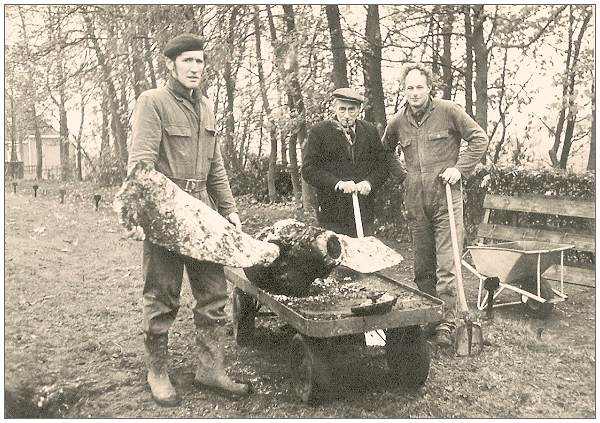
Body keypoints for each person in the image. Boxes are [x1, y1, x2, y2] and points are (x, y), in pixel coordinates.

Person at [125, 33, 251, 406]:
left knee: (213, 291)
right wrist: (138, 211)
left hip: (203, 212)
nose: (195, 68)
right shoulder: (153, 102)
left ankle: (210, 369)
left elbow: (216, 167)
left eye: (200, 61)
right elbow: (141, 163)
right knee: (162, 293)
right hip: (166, 210)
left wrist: (229, 210)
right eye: (188, 61)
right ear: (171, 64)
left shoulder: (207, 107)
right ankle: (158, 371)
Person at [382, 63, 489, 348]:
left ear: (429, 88)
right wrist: (402, 177)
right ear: (403, 90)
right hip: (416, 201)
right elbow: (385, 152)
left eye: (419, 87)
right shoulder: (397, 122)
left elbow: (479, 138)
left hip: (446, 199)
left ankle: (447, 322)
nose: (414, 93)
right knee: (423, 265)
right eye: (409, 88)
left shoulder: (448, 111)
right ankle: (429, 317)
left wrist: (460, 168)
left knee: (447, 262)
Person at [301, 88, 389, 237]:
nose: (346, 115)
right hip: (332, 212)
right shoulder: (319, 132)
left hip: (364, 210)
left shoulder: (370, 131)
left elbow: (382, 166)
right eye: (342, 109)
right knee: (337, 257)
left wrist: (369, 183)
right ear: (335, 108)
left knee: (364, 255)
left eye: (351, 110)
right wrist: (338, 184)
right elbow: (309, 170)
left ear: (359, 110)